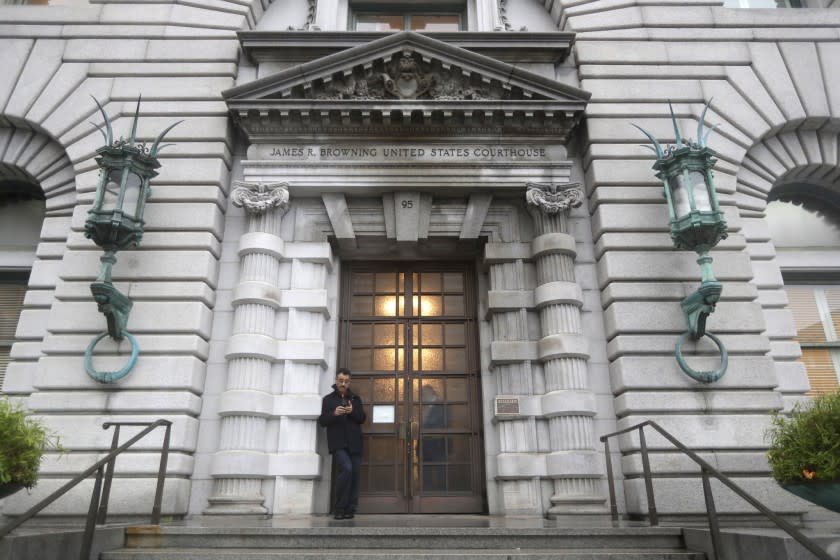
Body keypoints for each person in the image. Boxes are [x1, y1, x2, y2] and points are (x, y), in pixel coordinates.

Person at [318, 367, 366, 520]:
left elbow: (362, 418)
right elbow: (322, 421)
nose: (343, 383)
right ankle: (339, 508)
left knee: (355, 475)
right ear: (336, 381)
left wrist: (352, 411)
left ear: (349, 382)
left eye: (346, 381)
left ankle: (350, 509)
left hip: (355, 443)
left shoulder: (356, 400)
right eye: (340, 381)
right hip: (338, 444)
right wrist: (334, 413)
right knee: (347, 469)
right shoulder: (328, 400)